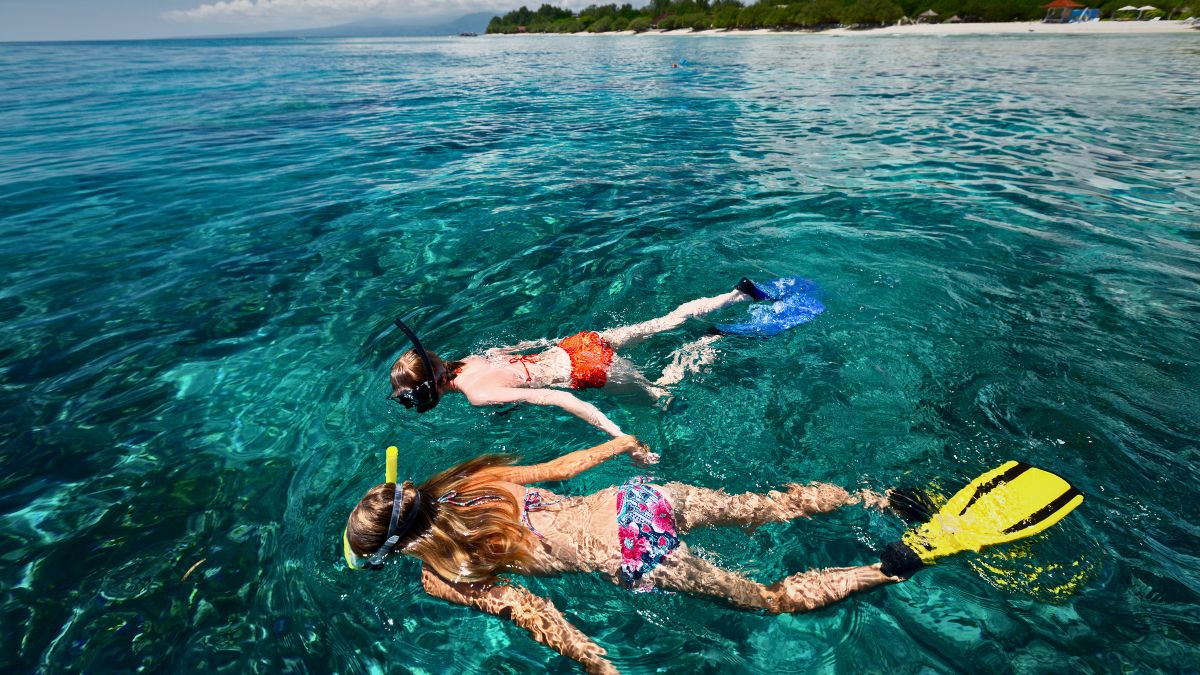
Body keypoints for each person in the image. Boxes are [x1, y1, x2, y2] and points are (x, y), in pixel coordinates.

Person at [343, 435, 907, 675]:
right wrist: (622, 445)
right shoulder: (476, 480)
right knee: (762, 508)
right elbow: (561, 469)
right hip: (635, 498)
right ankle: (875, 497)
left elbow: (530, 610)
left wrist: (596, 662)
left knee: (772, 600)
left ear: (399, 549)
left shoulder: (440, 575)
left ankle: (889, 567)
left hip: (636, 552)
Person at [388, 279, 774, 437]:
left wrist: (617, 435)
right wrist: (555, 341)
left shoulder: (476, 394)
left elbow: (558, 397)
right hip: (576, 345)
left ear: (433, 388)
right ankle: (737, 295)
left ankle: (705, 344)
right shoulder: (471, 359)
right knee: (665, 322)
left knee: (662, 397)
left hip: (587, 370)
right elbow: (526, 349)